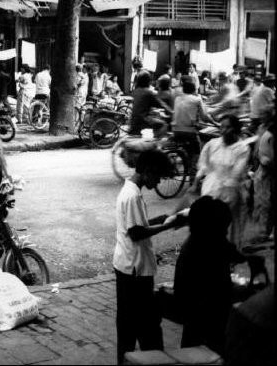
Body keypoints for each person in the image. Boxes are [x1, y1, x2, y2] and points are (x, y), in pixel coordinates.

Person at [112, 148, 182, 364]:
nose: (159, 182)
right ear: (148, 171)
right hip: (135, 271)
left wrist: (162, 219)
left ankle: (130, 358)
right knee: (147, 327)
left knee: (129, 325)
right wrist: (166, 227)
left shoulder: (131, 191)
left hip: (128, 267)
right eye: (158, 176)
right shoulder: (132, 195)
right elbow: (136, 233)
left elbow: (136, 225)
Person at [173, 196, 263, 355]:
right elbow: (217, 292)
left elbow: (234, 253)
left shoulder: (202, 240)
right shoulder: (207, 247)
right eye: (224, 228)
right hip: (206, 318)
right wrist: (244, 290)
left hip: (196, 316)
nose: (227, 232)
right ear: (213, 227)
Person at [192, 114, 250, 249]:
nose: (223, 130)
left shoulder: (242, 148)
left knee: (231, 224)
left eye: (228, 127)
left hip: (231, 192)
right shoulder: (212, 145)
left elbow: (236, 173)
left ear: (236, 129)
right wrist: (195, 183)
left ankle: (230, 252)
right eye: (222, 127)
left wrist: (222, 194)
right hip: (210, 188)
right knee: (209, 224)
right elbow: (203, 165)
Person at [171, 76, 217, 164]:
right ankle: (193, 173)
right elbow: (204, 117)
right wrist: (215, 123)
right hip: (189, 132)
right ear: (194, 90)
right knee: (197, 152)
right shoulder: (197, 99)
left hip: (175, 130)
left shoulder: (177, 99)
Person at [252, 115, 275, 243]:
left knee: (265, 204)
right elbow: (266, 159)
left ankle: (265, 232)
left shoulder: (266, 132)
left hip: (265, 172)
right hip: (267, 173)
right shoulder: (268, 134)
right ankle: (265, 232)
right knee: (266, 204)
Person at [128, 71, 173, 136]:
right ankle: (158, 144)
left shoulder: (136, 91)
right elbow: (161, 104)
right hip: (143, 119)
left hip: (133, 120)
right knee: (163, 124)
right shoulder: (148, 92)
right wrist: (172, 112)